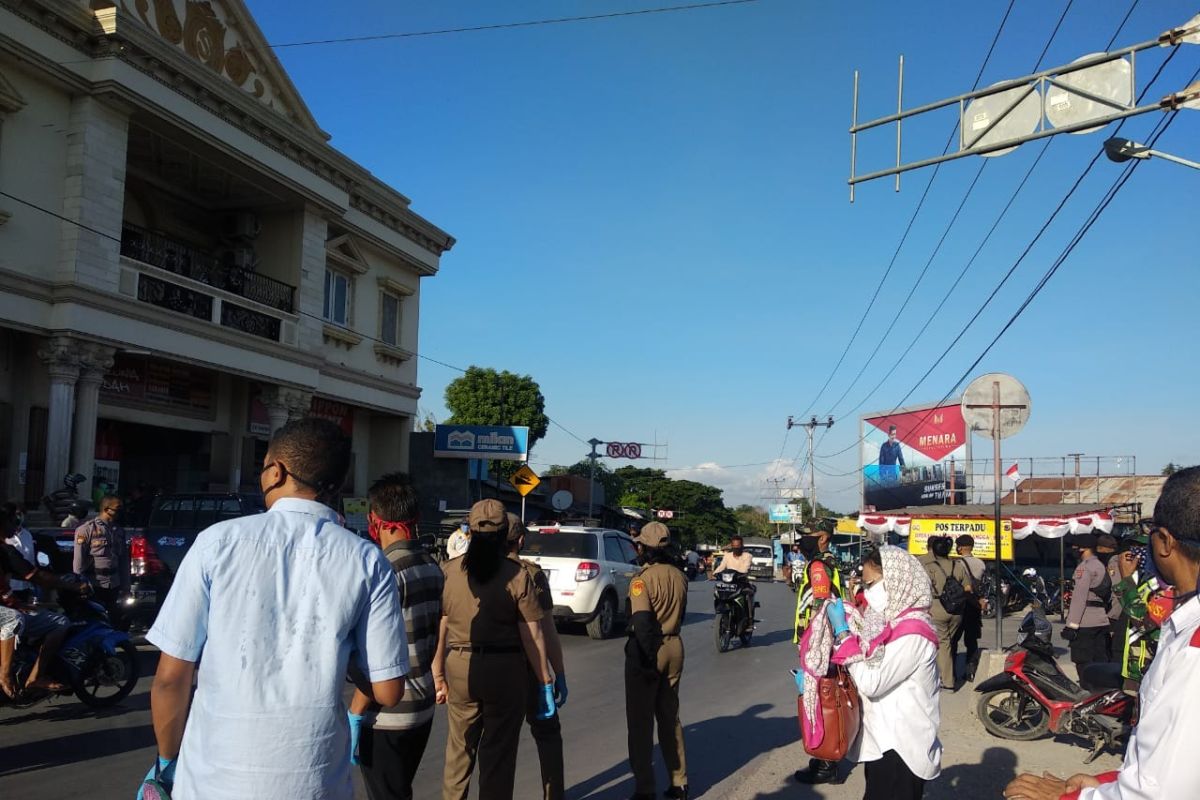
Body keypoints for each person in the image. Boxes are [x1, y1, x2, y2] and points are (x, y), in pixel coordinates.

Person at [142, 418, 409, 800]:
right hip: (315, 784)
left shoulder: (216, 543)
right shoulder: (368, 561)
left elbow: (171, 678)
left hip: (212, 783)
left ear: (276, 471)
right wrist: (345, 651)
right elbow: (387, 690)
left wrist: (167, 763)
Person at [1002, 466, 1200, 800]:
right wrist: (1109, 781)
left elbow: (1162, 791)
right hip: (1115, 634)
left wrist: (1071, 797)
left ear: (1165, 541)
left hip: (1110, 636)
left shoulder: (1193, 650)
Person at [433, 499, 554, 800]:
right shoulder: (517, 575)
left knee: (459, 751)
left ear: (470, 533)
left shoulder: (449, 572)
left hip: (460, 666)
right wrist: (544, 681)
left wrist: (437, 670)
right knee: (498, 755)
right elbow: (532, 635)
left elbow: (442, 625)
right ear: (505, 536)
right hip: (504, 670)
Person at [799, 546, 941, 800]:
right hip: (884, 739)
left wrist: (843, 634)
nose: (867, 592)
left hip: (902, 745)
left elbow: (872, 682)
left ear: (896, 581)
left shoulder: (913, 634)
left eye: (871, 583)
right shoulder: (890, 624)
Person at [347, 473, 444, 800]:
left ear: (379, 521)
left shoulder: (384, 571)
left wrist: (355, 713)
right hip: (423, 707)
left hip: (389, 714)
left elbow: (378, 657)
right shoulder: (431, 566)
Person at [625, 521, 689, 800]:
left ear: (644, 548)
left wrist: (647, 658)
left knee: (640, 723)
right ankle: (679, 783)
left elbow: (641, 621)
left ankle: (644, 789)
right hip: (675, 645)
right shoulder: (679, 575)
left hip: (649, 648)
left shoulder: (642, 579)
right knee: (669, 717)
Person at [506, 512, 568, 800]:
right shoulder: (530, 573)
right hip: (530, 670)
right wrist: (558, 674)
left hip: (489, 667)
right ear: (520, 540)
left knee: (494, 742)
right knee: (547, 733)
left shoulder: (466, 570)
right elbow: (546, 630)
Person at [0, 508, 90, 697]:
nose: (15, 526)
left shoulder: (7, 551)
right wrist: (73, 587)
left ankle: (35, 677)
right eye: (11, 522)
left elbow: (31, 575)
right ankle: (5, 675)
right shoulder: (6, 551)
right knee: (13, 619)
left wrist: (17, 602)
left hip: (11, 600)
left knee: (59, 622)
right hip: (7, 608)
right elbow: (39, 577)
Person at [792, 527, 844, 785]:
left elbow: (821, 604)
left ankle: (827, 763)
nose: (802, 540)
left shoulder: (819, 566)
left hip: (819, 642)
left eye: (809, 535)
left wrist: (813, 645)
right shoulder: (828, 562)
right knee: (824, 697)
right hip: (826, 641)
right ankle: (826, 756)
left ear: (822, 538)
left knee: (820, 700)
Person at [917, 535, 971, 691]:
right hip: (957, 611)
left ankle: (947, 681)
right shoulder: (957, 565)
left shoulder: (925, 564)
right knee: (949, 643)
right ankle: (947, 672)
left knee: (943, 644)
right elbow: (968, 588)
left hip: (936, 608)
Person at [1063, 533, 1112, 680]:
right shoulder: (1100, 565)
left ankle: (1088, 692)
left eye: (1075, 546)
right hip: (1101, 620)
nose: (1072, 548)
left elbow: (1079, 598)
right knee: (1101, 660)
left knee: (1083, 662)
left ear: (1082, 548)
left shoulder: (1084, 568)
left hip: (1085, 623)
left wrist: (1071, 625)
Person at [72, 494, 129, 610]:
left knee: (114, 618)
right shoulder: (87, 529)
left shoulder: (118, 530)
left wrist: (126, 586)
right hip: (95, 583)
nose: (121, 511)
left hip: (114, 583)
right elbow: (78, 559)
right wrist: (78, 584)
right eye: (118, 508)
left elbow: (123, 560)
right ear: (107, 509)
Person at [951, 534, 986, 682]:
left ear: (959, 547)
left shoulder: (955, 564)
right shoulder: (981, 564)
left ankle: (951, 673)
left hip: (959, 605)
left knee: (953, 640)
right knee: (971, 641)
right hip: (974, 605)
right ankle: (971, 672)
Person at [1096, 534, 1123, 663]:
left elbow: (1116, 588)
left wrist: (1112, 615)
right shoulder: (1113, 560)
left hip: (1115, 613)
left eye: (1099, 548)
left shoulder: (1113, 562)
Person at [3, 503, 35, 602]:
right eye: (15, 514)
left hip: (25, 587)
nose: (18, 518)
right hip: (8, 588)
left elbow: (30, 558)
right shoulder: (4, 535)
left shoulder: (27, 535)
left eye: (20, 514)